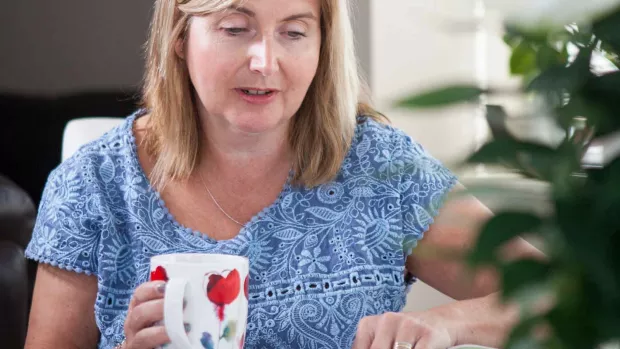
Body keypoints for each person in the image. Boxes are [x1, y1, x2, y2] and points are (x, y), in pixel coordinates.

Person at [23, 0, 543, 348]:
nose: (263, 60)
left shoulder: (383, 170)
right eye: (234, 28)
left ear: (322, 46)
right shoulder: (92, 185)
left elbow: (558, 294)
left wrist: (444, 324)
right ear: (180, 36)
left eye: (293, 32)